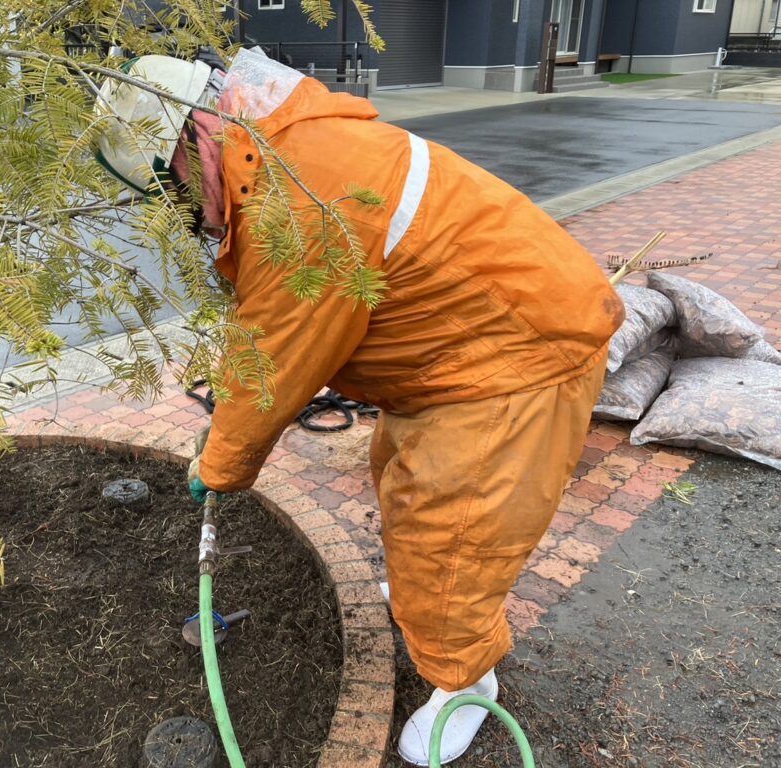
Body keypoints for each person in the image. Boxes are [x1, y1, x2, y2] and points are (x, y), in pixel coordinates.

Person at [96, 49, 624, 765]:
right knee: (404, 483)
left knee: (453, 530)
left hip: (513, 363)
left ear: (188, 151)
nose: (180, 211)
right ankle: (419, 597)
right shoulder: (286, 148)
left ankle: (465, 683)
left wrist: (220, 464)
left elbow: (273, 358)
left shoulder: (299, 203)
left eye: (173, 191)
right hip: (459, 354)